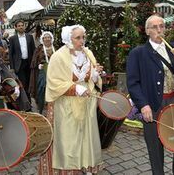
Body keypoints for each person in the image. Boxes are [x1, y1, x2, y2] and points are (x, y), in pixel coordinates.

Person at [127, 15, 174, 175]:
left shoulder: (173, 48)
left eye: (162, 26)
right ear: (147, 31)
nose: (159, 30)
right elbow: (133, 83)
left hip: (173, 102)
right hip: (152, 104)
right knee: (155, 147)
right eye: (155, 27)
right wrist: (143, 105)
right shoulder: (138, 53)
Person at [39, 25, 104, 174]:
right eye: (78, 38)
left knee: (86, 136)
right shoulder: (58, 56)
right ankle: (68, 168)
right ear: (69, 39)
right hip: (66, 103)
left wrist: (94, 75)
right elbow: (54, 82)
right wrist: (75, 88)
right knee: (69, 138)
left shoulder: (88, 53)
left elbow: (92, 76)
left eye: (84, 37)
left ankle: (86, 164)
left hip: (87, 101)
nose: (82, 41)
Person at [29, 31, 55, 113]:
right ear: (42, 39)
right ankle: (41, 106)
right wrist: (38, 66)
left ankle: (52, 105)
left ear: (51, 39)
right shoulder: (39, 49)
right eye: (45, 37)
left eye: (49, 37)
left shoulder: (55, 48)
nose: (47, 39)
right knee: (41, 88)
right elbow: (33, 62)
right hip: (42, 72)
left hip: (54, 72)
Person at [9, 20, 35, 100]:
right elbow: (11, 53)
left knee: (29, 82)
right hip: (19, 64)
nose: (21, 27)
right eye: (19, 26)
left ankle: (28, 100)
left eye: (22, 25)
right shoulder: (13, 39)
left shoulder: (29, 37)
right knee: (22, 83)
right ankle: (25, 101)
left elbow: (33, 50)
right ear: (16, 28)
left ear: (24, 26)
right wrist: (12, 67)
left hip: (29, 63)